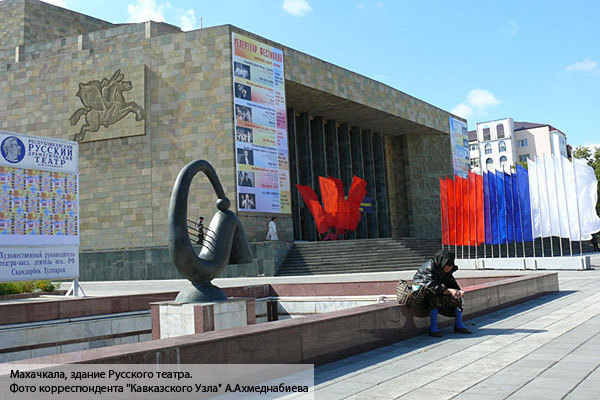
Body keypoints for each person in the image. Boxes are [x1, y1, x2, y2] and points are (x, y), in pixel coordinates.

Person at [412, 249, 471, 337]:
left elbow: (450, 281)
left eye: (450, 268)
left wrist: (457, 291)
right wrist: (450, 291)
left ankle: (459, 325)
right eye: (447, 267)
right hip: (421, 291)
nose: (448, 269)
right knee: (434, 298)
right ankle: (433, 329)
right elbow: (430, 286)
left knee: (456, 298)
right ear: (442, 263)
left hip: (435, 289)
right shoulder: (430, 267)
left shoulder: (443, 268)